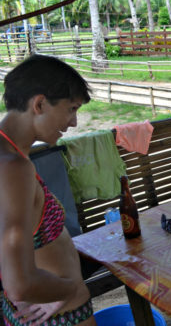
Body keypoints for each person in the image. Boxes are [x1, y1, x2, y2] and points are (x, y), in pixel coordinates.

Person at [0, 55, 96, 325]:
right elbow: (20, 284)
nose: (75, 122)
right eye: (71, 108)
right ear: (40, 104)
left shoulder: (9, 155)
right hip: (57, 313)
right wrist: (71, 289)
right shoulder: (12, 168)